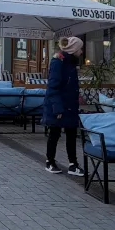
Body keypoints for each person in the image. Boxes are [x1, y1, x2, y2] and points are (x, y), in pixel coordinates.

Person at [42, 37, 85, 176]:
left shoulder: (70, 63)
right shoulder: (58, 62)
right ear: (74, 49)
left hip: (70, 105)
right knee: (54, 133)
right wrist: (57, 107)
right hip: (59, 105)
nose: (82, 51)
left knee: (71, 134)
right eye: (80, 49)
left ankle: (73, 164)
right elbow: (53, 87)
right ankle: (50, 162)